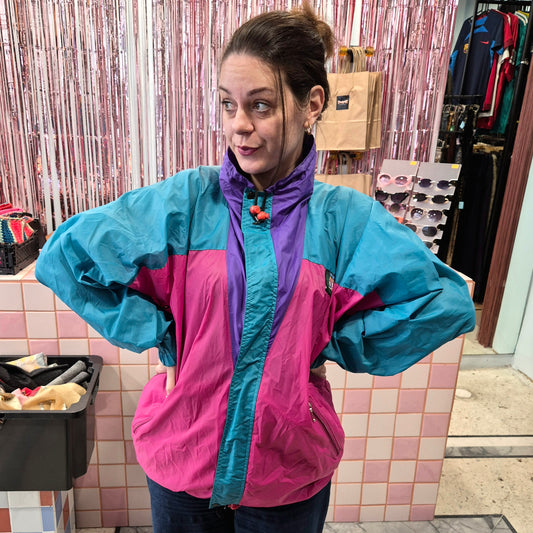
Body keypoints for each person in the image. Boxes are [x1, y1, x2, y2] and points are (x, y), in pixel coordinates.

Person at [35, 4, 476, 532]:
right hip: (184, 458)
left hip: (287, 469)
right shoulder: (186, 204)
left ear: (312, 104)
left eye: (260, 105)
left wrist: (329, 340)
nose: (239, 125)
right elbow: (67, 257)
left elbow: (442, 301)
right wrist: (164, 334)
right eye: (228, 104)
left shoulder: (342, 220)